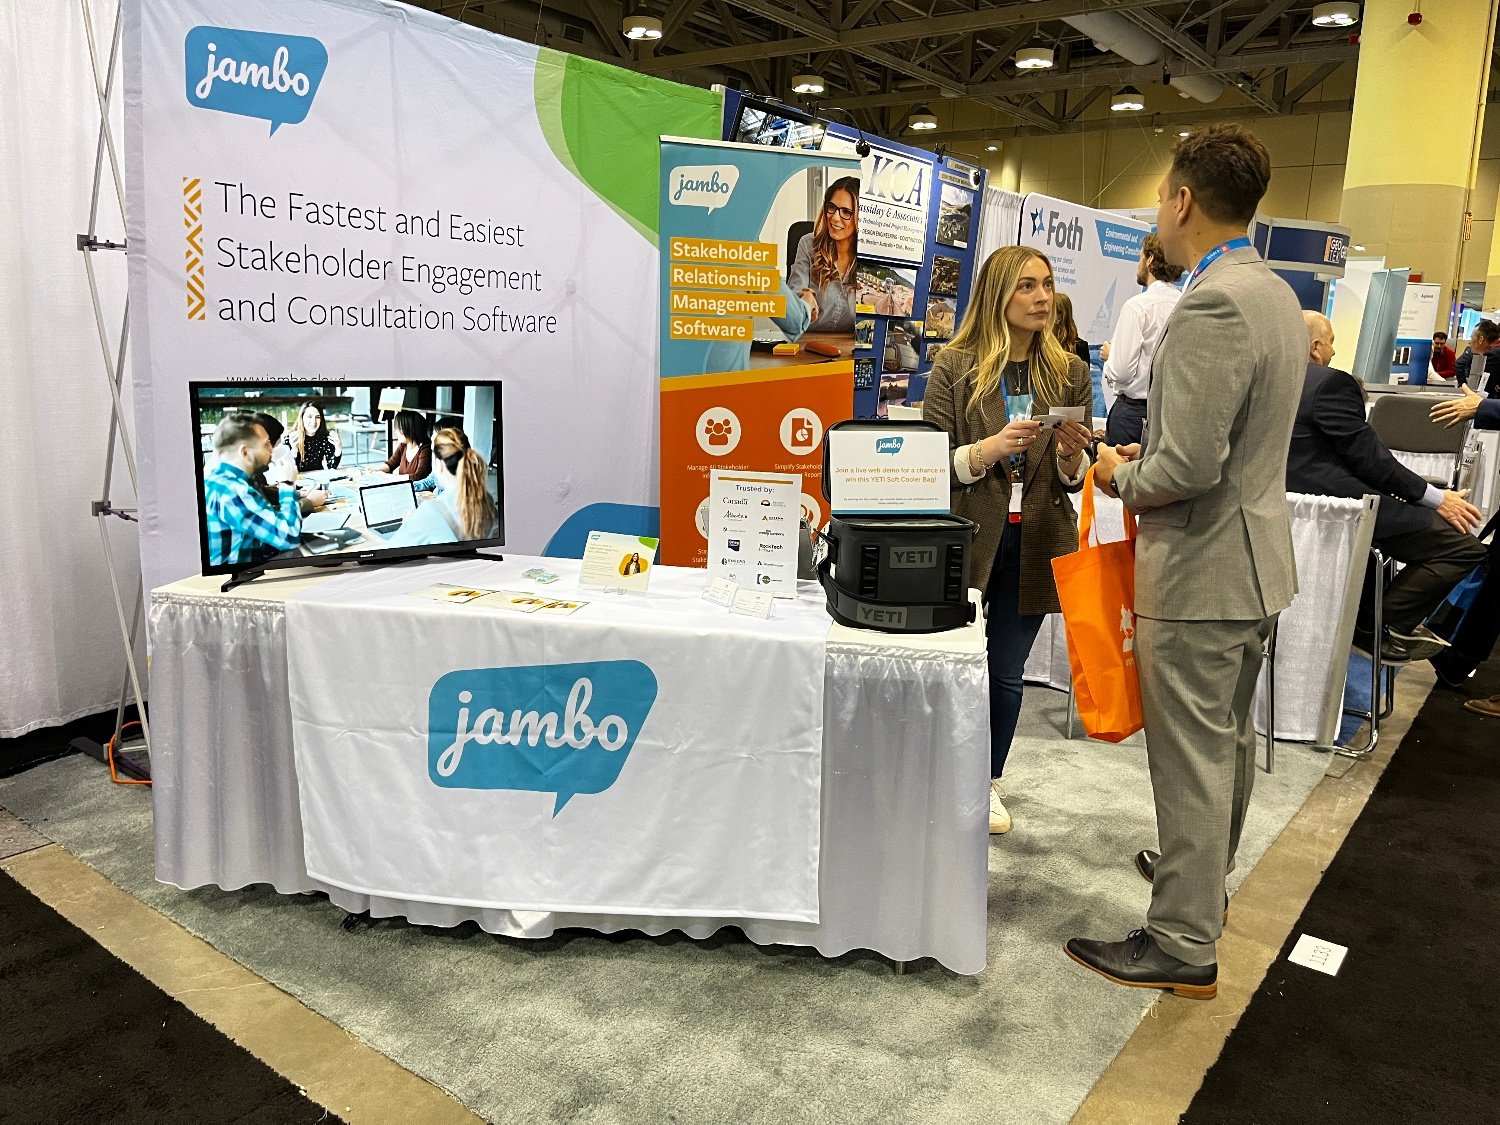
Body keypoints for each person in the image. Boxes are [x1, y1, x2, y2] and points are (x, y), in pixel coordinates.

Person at [1072, 125, 1308, 1000]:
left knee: (1193, 757)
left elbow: (1184, 469)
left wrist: (1113, 470)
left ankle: (1180, 938)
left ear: (1181, 201)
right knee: (1226, 745)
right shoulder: (1275, 294)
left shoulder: (1212, 301)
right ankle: (1197, 883)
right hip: (1250, 564)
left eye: (1162, 197)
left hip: (1204, 566)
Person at [922, 245, 1094, 835]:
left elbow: (1073, 478)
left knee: (1004, 671)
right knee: (951, 662)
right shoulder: (953, 365)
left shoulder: (1068, 370)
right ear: (998, 293)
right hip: (968, 536)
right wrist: (988, 450)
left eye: (1046, 284)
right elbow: (930, 464)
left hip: (1036, 538)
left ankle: (985, 781)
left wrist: (1074, 456)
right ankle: (937, 770)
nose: (1043, 297)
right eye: (1026, 286)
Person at [1288, 312, 1483, 662]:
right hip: (1340, 508)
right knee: (1463, 548)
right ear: (1316, 347)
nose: (1333, 351)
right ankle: (1373, 625)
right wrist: (1437, 499)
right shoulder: (1330, 383)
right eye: (1330, 341)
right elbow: (1372, 462)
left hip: (1287, 508)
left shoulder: (1263, 377)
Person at [1101, 234, 1184, 445]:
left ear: (1149, 260)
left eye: (1140, 258)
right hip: (1171, 417)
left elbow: (1121, 372)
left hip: (1132, 416)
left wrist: (1111, 357)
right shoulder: (1187, 305)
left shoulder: (1137, 307)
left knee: (1119, 476)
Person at [202, 413, 304, 568]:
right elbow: (289, 537)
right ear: (245, 452)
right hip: (242, 580)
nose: (272, 449)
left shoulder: (227, 480)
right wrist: (287, 484)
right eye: (266, 444)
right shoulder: (233, 491)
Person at [383, 427, 498, 548]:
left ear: (439, 464)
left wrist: (409, 524)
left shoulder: (431, 511)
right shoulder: (487, 500)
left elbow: (392, 550)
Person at [787, 176, 859, 333]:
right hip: (808, 346)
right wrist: (803, 300)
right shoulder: (808, 244)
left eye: (846, 212)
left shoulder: (870, 258)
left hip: (851, 349)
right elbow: (793, 302)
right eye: (831, 207)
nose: (834, 217)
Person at [288, 400, 343, 473]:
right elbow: (288, 470)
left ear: (321, 420)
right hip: (298, 481)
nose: (314, 421)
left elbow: (332, 466)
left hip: (319, 480)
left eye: (317, 417)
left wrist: (338, 448)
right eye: (309, 417)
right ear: (302, 418)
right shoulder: (291, 439)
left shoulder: (325, 437)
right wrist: (294, 450)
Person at [1451, 320, 1500, 394]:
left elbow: (1486, 389)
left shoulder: (1492, 356)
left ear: (1481, 339)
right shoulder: (1495, 351)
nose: (1469, 342)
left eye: (1471, 338)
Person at [383, 409, 432, 480]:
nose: (396, 432)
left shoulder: (426, 449)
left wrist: (389, 477)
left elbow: (418, 476)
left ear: (409, 429)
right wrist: (377, 470)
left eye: (399, 429)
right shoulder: (404, 445)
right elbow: (390, 464)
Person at [1051, 291, 1092, 368]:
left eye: (1048, 312)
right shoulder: (1040, 343)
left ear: (1058, 318)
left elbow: (1084, 378)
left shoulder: (1080, 347)